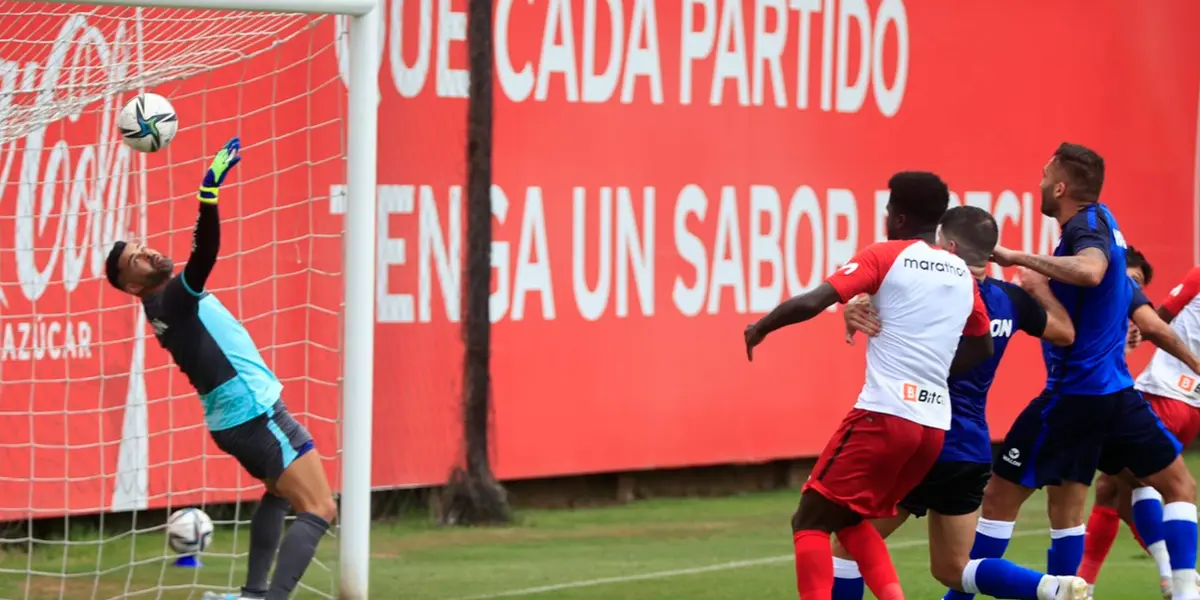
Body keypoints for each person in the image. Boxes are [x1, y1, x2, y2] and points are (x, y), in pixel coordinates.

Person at [104, 138, 337, 600]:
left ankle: (253, 594)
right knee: (320, 506)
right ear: (132, 285)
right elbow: (205, 254)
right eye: (137, 259)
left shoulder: (163, 307)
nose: (148, 254)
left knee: (277, 493)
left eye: (142, 247)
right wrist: (207, 196)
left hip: (235, 421)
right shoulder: (168, 298)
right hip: (254, 412)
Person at [744, 172, 995, 600]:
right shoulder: (959, 273)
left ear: (896, 217)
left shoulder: (885, 255)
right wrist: (931, 369)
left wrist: (760, 327)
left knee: (809, 520)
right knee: (852, 520)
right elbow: (981, 346)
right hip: (932, 427)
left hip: (883, 416)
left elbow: (815, 300)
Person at [829, 206, 1087, 600]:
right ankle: (1048, 587)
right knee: (953, 568)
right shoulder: (1009, 300)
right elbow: (1065, 333)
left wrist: (854, 308)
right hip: (969, 449)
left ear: (948, 245)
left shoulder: (930, 294)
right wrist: (1038, 289)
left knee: (847, 545)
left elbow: (880, 302)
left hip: (917, 437)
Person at [981, 143, 1199, 600]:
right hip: (1118, 397)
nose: (1039, 183)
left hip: (1074, 396)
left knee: (1001, 499)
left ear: (1060, 187)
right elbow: (1151, 323)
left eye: (1044, 176)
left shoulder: (1086, 231)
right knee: (1172, 488)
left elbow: (1091, 272)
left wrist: (1019, 261)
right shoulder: (1109, 228)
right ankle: (1184, 591)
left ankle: (961, 594)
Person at [1080, 250, 1200, 598]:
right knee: (1110, 488)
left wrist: (1128, 331)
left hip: (1163, 393)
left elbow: (1158, 319)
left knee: (1140, 481)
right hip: (1193, 406)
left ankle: (1177, 577)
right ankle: (1084, 585)